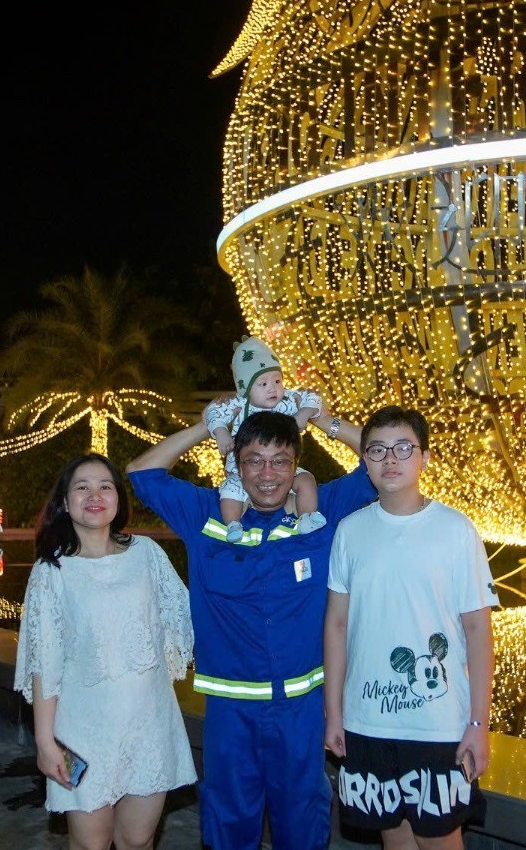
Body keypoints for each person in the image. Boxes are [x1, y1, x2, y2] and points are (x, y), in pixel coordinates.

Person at [127, 409, 375, 850]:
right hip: (230, 711)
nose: (267, 474)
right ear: (236, 467)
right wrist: (209, 425)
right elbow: (142, 472)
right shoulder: (207, 514)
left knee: (303, 826)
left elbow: (375, 464)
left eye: (280, 460)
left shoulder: (317, 515)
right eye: (254, 460)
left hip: (301, 710)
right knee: (227, 825)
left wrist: (320, 420)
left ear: (297, 467)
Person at [324, 407, 497, 850]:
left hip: (437, 725)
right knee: (395, 841)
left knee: (441, 841)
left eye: (404, 448)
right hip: (369, 722)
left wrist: (479, 722)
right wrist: (335, 714)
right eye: (377, 450)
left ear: (424, 457)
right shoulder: (349, 531)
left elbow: (478, 630)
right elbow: (338, 625)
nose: (390, 460)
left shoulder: (456, 531)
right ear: (364, 461)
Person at [13, 454, 197, 850]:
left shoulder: (147, 554)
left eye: (105, 486)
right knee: (91, 843)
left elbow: (184, 614)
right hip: (83, 732)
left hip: (148, 725)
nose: (94, 495)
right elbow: (44, 661)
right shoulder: (52, 571)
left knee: (137, 839)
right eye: (82, 487)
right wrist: (46, 743)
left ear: (118, 499)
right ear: (64, 502)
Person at [208, 337, 362, 543]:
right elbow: (212, 413)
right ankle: (233, 524)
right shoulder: (238, 404)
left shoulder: (287, 401)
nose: (272, 389)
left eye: (277, 381)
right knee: (230, 491)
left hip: (281, 475)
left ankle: (306, 517)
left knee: (306, 480)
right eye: (263, 384)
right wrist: (221, 432)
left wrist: (308, 415)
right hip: (238, 473)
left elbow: (313, 398)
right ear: (245, 389)